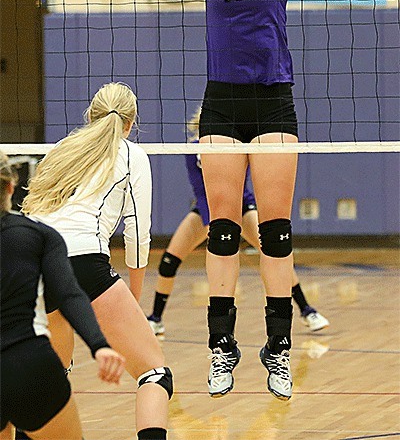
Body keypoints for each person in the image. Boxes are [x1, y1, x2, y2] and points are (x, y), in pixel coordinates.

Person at [129, 0, 299, 400]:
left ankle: (277, 350)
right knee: (223, 229)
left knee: (275, 232)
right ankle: (220, 350)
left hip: (274, 100)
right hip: (222, 103)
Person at [22, 83, 173, 440]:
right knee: (155, 374)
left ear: (90, 116)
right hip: (84, 263)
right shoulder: (131, 154)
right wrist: (133, 300)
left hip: (35, 269)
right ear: (130, 123)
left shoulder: (62, 149)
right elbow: (137, 235)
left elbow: (33, 210)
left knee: (49, 386)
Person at [147, 109, 329, 337]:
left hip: (241, 206)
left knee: (274, 253)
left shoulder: (238, 143)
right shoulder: (193, 148)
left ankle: (307, 311)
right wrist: (214, 223)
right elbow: (200, 190)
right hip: (208, 207)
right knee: (168, 261)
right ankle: (155, 319)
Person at [0, 150, 126, 440]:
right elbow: (69, 295)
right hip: (28, 364)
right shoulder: (39, 235)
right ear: (11, 185)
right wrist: (99, 345)